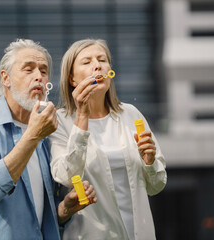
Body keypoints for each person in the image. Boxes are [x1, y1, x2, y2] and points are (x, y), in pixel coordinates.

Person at [0, 39, 97, 240]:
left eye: (43, 72)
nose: (38, 77)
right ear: (6, 78)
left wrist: (64, 211)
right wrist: (33, 136)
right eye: (29, 70)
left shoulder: (44, 135)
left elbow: (36, 220)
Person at [49, 39, 167, 240]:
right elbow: (66, 177)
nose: (98, 65)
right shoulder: (59, 121)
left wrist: (149, 162)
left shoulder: (131, 114)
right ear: (72, 79)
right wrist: (82, 117)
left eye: (102, 60)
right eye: (87, 62)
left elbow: (156, 186)